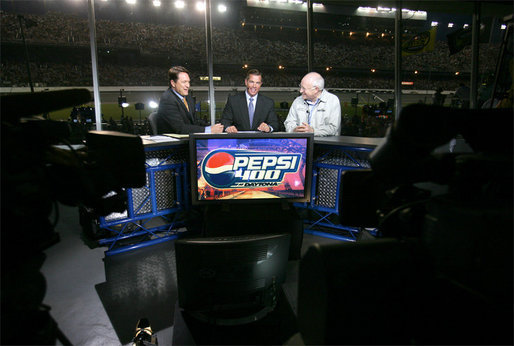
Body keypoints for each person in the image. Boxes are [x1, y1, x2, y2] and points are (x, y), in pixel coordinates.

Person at [155, 66, 223, 134]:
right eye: (184, 82)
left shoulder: (188, 98)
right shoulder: (167, 99)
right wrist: (209, 130)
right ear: (173, 83)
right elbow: (180, 128)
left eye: (188, 82)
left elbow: (195, 121)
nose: (188, 85)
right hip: (174, 143)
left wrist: (213, 127)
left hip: (188, 140)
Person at [284, 72, 341, 136]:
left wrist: (313, 131)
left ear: (316, 89)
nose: (300, 91)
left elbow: (333, 128)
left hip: (326, 144)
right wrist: (293, 130)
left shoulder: (332, 100)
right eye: (300, 87)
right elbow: (288, 122)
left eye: (304, 88)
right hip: (302, 143)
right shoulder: (297, 101)